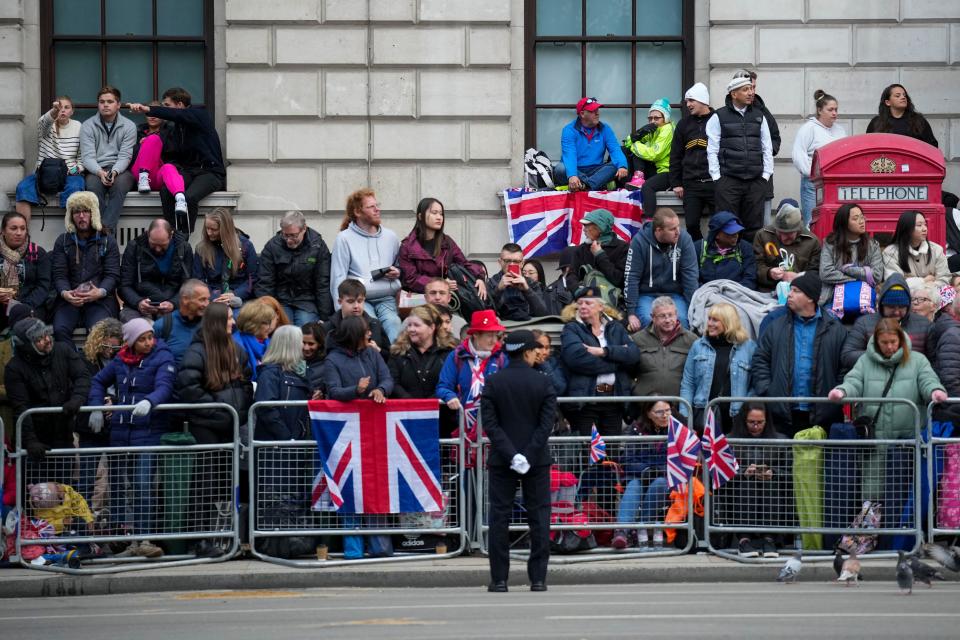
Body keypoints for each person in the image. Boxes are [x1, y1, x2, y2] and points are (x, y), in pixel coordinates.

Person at [829, 319, 946, 502]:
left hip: (907, 442)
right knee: (873, 489)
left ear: (901, 339)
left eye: (893, 342)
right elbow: (854, 382)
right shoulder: (864, 361)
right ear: (876, 341)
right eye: (884, 343)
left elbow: (927, 380)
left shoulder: (918, 361)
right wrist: (842, 391)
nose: (889, 347)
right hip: (875, 440)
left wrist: (935, 391)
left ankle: (900, 529)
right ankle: (874, 527)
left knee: (905, 494)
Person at [88, 317, 176, 558]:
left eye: (150, 337)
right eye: (142, 339)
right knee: (117, 486)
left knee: (142, 484)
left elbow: (165, 386)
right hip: (120, 431)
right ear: (130, 342)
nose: (149, 342)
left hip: (147, 431)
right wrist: (95, 407)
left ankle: (144, 537)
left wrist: (151, 400)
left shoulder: (162, 357)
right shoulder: (120, 359)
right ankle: (120, 537)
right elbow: (98, 380)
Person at [174, 302, 253, 557]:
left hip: (230, 426)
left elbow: (245, 386)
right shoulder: (196, 351)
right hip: (206, 426)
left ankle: (222, 538)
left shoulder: (237, 351)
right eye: (230, 318)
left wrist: (236, 413)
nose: (233, 322)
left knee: (225, 484)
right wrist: (219, 410)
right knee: (205, 484)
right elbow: (189, 388)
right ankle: (200, 539)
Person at [481, 329, 556, 592]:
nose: (539, 353)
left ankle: (499, 579)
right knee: (539, 517)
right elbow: (546, 425)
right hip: (535, 460)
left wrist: (512, 455)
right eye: (535, 349)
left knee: (500, 517)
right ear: (526, 352)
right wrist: (528, 454)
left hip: (503, 460)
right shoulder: (544, 382)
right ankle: (538, 578)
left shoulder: (493, 382)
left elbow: (490, 425)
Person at [750, 272, 846, 436]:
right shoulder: (775, 326)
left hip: (823, 414)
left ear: (810, 298)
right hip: (782, 415)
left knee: (817, 462)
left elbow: (844, 366)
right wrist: (769, 391)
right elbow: (760, 360)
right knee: (784, 461)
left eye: (795, 290)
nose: (789, 294)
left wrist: (834, 397)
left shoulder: (836, 329)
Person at [127, 87, 227, 233]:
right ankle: (171, 231)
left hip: (210, 173)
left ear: (179, 105)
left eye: (167, 105)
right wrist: (147, 143)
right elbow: (167, 152)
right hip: (189, 172)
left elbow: (179, 115)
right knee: (167, 190)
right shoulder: (175, 130)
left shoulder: (200, 115)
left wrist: (148, 109)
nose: (164, 109)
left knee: (189, 197)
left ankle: (183, 237)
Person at [5, 317, 90, 460]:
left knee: (64, 482)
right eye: (39, 339)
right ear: (27, 345)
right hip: (35, 444)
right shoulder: (14, 368)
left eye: (46, 334)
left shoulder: (63, 350)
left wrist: (77, 398)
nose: (47, 339)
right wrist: (30, 440)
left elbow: (83, 375)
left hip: (64, 436)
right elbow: (20, 407)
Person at [560, 286, 640, 436]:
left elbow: (634, 355)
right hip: (586, 402)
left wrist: (604, 352)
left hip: (614, 400)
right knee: (588, 452)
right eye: (580, 303)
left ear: (601, 307)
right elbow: (577, 360)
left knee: (612, 453)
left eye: (588, 303)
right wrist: (617, 360)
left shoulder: (615, 327)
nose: (582, 306)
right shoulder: (571, 329)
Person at [706, 72, 775, 241]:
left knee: (753, 228)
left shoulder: (759, 116)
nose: (751, 92)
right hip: (728, 181)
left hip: (755, 181)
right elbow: (712, 149)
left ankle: (749, 264)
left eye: (751, 88)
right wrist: (717, 178)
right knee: (727, 226)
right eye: (745, 90)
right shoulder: (718, 116)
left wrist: (765, 175)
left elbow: (767, 146)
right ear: (734, 94)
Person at [330, 189, 402, 342]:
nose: (378, 209)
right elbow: (338, 277)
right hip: (360, 299)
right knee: (372, 327)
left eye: (377, 205)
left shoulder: (391, 237)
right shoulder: (344, 239)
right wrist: (341, 311)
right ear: (357, 211)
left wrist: (397, 272)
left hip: (386, 298)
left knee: (395, 326)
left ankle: (393, 365)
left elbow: (400, 266)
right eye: (371, 207)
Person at [50, 191, 121, 343]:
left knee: (98, 332)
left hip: (100, 300)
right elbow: (59, 274)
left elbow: (112, 275)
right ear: (71, 216)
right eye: (76, 212)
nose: (81, 216)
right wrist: (65, 293)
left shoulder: (108, 241)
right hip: (70, 300)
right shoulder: (62, 241)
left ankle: (93, 367)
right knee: (60, 330)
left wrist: (100, 292)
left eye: (86, 211)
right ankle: (72, 365)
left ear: (93, 213)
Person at [680, 302, 756, 433]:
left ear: (728, 322)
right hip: (703, 415)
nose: (709, 323)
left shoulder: (749, 347)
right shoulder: (698, 346)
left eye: (715, 320)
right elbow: (688, 384)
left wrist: (746, 410)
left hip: (737, 418)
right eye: (709, 318)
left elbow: (754, 385)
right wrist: (685, 419)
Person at [725, 403, 788, 558]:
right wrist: (742, 474)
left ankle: (769, 539)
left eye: (760, 422)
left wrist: (773, 473)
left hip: (770, 490)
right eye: (751, 422)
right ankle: (744, 540)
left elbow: (789, 472)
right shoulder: (730, 441)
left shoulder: (781, 441)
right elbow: (722, 474)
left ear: (767, 421)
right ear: (743, 421)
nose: (756, 426)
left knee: (770, 484)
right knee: (748, 484)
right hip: (740, 491)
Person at [436, 309, 508, 446]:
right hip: (463, 426)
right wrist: (449, 396)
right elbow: (443, 386)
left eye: (496, 335)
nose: (494, 341)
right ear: (475, 334)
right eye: (489, 335)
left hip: (494, 426)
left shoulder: (501, 357)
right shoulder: (457, 356)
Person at [611, 398, 672, 550]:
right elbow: (627, 459)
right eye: (659, 412)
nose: (665, 415)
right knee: (633, 485)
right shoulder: (635, 429)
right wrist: (646, 470)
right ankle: (622, 532)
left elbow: (679, 459)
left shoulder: (677, 429)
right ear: (649, 414)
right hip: (639, 475)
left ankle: (639, 528)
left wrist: (658, 471)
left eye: (667, 410)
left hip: (663, 477)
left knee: (659, 483)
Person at [398, 197, 487, 301]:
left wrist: (479, 278)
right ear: (420, 216)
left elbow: (464, 264)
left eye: (441, 214)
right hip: (419, 300)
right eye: (434, 213)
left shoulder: (447, 242)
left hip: (446, 301)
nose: (439, 217)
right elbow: (411, 279)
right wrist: (440, 285)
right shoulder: (407, 246)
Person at [624, 208, 698, 331]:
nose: (678, 232)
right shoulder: (639, 241)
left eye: (678, 227)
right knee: (649, 322)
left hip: (675, 295)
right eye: (672, 229)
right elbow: (631, 276)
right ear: (658, 230)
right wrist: (631, 312)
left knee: (682, 322)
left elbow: (690, 275)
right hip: (646, 295)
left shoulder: (684, 239)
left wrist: (693, 307)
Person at [840, 273, 932, 371]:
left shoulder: (924, 325)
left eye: (901, 307)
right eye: (891, 307)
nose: (896, 312)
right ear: (882, 305)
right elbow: (847, 356)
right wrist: (880, 354)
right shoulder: (864, 323)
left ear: (908, 306)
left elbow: (934, 360)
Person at [389, 305, 457, 437]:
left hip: (441, 421)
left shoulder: (449, 352)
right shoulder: (397, 351)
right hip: (406, 419)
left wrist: (429, 404)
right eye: (409, 325)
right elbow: (392, 381)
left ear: (432, 328)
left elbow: (451, 382)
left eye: (416, 325)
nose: (411, 329)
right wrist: (411, 402)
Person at [256, 210, 333, 326]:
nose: (289, 240)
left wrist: (325, 318)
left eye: (293, 235)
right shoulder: (272, 247)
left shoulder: (317, 247)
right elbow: (265, 282)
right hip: (280, 301)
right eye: (285, 235)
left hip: (307, 302)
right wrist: (266, 311)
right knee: (284, 330)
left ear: (304, 229)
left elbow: (323, 283)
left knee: (304, 330)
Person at [15, 97, 85, 224]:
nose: (62, 110)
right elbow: (46, 121)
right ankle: (23, 235)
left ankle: (72, 234)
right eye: (60, 107)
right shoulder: (46, 124)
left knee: (75, 189)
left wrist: (73, 170)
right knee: (23, 188)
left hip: (69, 173)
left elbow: (82, 159)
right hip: (44, 173)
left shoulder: (78, 126)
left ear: (72, 111)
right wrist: (54, 111)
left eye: (66, 107)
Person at [79, 85, 137, 234]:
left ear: (118, 105)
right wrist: (100, 173)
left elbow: (125, 155)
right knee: (92, 186)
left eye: (110, 101)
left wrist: (115, 172)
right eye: (101, 101)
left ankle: (104, 230)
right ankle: (105, 231)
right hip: (95, 169)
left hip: (121, 169)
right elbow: (87, 157)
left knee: (120, 186)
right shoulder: (87, 126)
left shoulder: (129, 126)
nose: (105, 104)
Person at [119, 218, 194, 322]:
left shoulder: (184, 249)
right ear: (147, 234)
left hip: (172, 304)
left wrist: (174, 303)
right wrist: (138, 302)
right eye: (153, 244)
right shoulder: (135, 247)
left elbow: (188, 285)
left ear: (171, 236)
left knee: (171, 326)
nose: (158, 249)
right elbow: (124, 285)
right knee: (138, 328)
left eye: (163, 245)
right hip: (139, 303)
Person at [792, 90, 847, 226]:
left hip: (835, 182)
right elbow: (798, 154)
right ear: (819, 110)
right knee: (812, 221)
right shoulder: (808, 128)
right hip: (812, 184)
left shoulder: (840, 130)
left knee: (834, 221)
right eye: (830, 109)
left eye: (836, 109)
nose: (834, 113)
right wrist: (811, 173)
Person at [669, 83, 715, 241]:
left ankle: (713, 254)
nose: (687, 104)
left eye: (691, 100)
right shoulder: (683, 124)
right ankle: (699, 254)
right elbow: (675, 155)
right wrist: (676, 182)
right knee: (692, 224)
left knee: (719, 224)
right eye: (687, 101)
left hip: (714, 183)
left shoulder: (718, 120)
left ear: (702, 100)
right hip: (691, 184)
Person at [818, 203, 884, 311]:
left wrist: (847, 269)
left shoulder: (873, 245)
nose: (861, 221)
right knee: (830, 323)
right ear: (844, 223)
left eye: (862, 217)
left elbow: (876, 276)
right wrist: (860, 277)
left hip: (864, 300)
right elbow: (825, 273)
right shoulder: (830, 244)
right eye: (855, 218)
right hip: (832, 299)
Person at [555, 97, 629, 192]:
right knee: (560, 168)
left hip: (596, 169)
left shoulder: (605, 128)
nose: (597, 113)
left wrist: (622, 166)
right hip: (576, 169)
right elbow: (569, 155)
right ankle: (597, 183)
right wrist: (572, 175)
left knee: (616, 164)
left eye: (597, 110)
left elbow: (615, 149)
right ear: (582, 114)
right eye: (593, 111)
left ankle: (585, 186)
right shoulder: (569, 130)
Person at [193, 207, 259, 310]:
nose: (209, 233)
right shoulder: (201, 249)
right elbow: (198, 279)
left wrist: (235, 294)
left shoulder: (245, 246)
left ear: (225, 229)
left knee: (239, 320)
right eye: (207, 228)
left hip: (239, 298)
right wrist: (214, 297)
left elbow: (253, 278)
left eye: (214, 229)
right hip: (212, 298)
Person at [631, 296, 697, 398]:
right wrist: (635, 390)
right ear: (652, 317)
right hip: (645, 406)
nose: (667, 320)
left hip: (679, 406)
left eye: (671, 315)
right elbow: (626, 373)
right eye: (662, 316)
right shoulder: (637, 339)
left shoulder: (691, 340)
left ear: (676, 315)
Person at [753, 200, 821, 294]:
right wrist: (769, 272)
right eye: (779, 232)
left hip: (799, 292)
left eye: (788, 234)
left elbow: (816, 273)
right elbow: (755, 266)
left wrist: (799, 277)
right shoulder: (762, 235)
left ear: (798, 229)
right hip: (767, 291)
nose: (783, 238)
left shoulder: (812, 241)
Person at [322, 315, 394, 403]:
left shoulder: (372, 352)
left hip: (374, 412)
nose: (370, 333)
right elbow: (333, 391)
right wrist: (356, 390)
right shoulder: (332, 360)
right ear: (355, 335)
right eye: (366, 331)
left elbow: (387, 378)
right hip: (349, 414)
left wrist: (381, 390)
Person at [622, 98, 675, 213]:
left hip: (667, 171)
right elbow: (626, 143)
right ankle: (636, 178)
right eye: (650, 118)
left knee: (648, 187)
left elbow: (654, 155)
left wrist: (634, 144)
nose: (652, 121)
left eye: (657, 118)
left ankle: (650, 222)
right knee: (627, 151)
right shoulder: (654, 129)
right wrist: (640, 132)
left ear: (665, 118)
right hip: (655, 168)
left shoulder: (667, 129)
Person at [0, 212, 51, 329]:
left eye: (22, 229)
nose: (19, 233)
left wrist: (23, 305)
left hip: (31, 305)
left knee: (26, 321)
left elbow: (43, 285)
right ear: (3, 231)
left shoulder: (37, 253)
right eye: (13, 228)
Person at [882, 210, 951, 288]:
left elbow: (944, 279)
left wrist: (914, 285)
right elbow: (895, 283)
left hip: (932, 298)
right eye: (919, 225)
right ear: (907, 228)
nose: (925, 229)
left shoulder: (937, 250)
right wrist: (924, 280)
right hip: (905, 298)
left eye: (925, 224)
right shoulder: (891, 252)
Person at [324, 279, 390, 359]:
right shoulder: (328, 328)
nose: (356, 306)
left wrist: (378, 351)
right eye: (350, 301)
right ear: (340, 302)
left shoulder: (374, 325)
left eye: (360, 301)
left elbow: (390, 358)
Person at [487, 243, 549, 321]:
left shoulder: (531, 283)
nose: (511, 264)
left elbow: (542, 313)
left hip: (528, 327)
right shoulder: (492, 282)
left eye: (516, 261)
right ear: (500, 262)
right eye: (507, 261)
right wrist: (498, 290)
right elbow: (485, 312)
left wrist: (527, 290)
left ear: (522, 263)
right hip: (502, 329)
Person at [152, 279, 210, 363]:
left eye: (208, 299)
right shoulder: (162, 326)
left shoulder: (210, 324)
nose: (206, 304)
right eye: (202, 300)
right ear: (185, 299)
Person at [570, 208, 630, 290]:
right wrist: (578, 291)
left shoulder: (623, 248)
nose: (584, 229)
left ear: (600, 227)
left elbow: (618, 280)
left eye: (587, 225)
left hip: (612, 298)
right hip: (584, 297)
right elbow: (571, 276)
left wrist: (600, 255)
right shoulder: (581, 249)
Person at [694, 211, 757, 288]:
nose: (736, 235)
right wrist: (709, 292)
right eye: (730, 233)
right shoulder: (699, 248)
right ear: (716, 235)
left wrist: (734, 293)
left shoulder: (745, 248)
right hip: (707, 293)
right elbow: (692, 278)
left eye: (737, 231)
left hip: (737, 293)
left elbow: (750, 278)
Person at [866, 84, 938, 148]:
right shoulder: (876, 122)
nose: (903, 97)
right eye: (897, 96)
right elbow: (868, 145)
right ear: (888, 102)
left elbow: (932, 146)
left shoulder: (918, 120)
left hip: (913, 162)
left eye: (904, 95)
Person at [233, 299, 276, 381]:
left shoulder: (269, 343)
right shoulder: (236, 344)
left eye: (270, 323)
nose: (269, 327)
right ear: (253, 324)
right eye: (266, 323)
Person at [530, 329, 566, 397]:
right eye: (539, 347)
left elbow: (560, 389)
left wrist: (544, 365)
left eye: (547, 348)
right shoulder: (523, 364)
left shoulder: (554, 363)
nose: (544, 352)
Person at [301, 321, 326, 398]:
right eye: (303, 343)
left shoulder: (328, 364)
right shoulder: (290, 361)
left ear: (320, 343)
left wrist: (323, 395)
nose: (306, 348)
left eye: (311, 344)